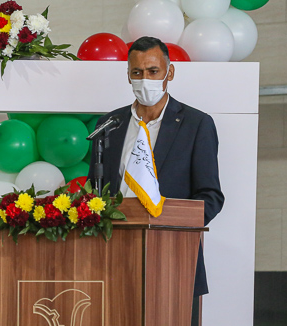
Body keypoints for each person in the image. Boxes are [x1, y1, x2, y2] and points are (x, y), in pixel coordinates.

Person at [87, 36, 224, 296]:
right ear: (128, 76)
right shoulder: (109, 124)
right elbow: (95, 188)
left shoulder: (196, 124)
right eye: (137, 72)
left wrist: (170, 225)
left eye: (153, 71)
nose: (144, 80)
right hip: (110, 255)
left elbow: (211, 197)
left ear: (169, 73)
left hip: (172, 256)